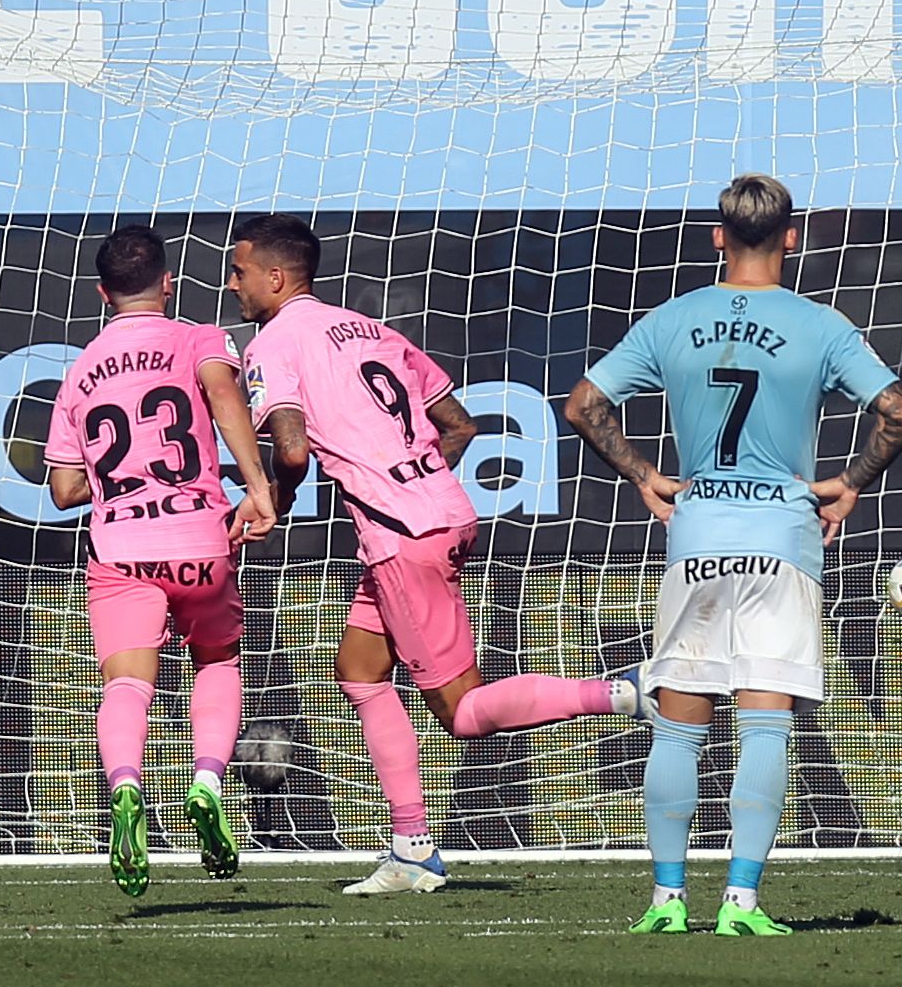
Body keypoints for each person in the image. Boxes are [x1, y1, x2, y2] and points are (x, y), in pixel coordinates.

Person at [227, 214, 643, 897]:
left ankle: (625, 690)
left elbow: (293, 449)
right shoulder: (372, 330)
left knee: (462, 712)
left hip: (402, 536)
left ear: (275, 278)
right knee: (359, 671)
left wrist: (271, 496)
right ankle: (411, 846)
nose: (233, 285)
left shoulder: (273, 343)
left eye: (239, 272)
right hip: (434, 513)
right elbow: (458, 426)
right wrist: (415, 478)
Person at [565, 174, 902, 937]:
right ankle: (742, 904)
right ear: (791, 238)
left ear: (718, 236)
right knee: (765, 724)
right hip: (781, 543)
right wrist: (848, 485)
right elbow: (899, 412)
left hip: (697, 539)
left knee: (678, 726)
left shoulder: (672, 318)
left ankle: (664, 901)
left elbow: (583, 405)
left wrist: (647, 476)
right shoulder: (821, 325)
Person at [44, 224, 277, 897]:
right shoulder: (198, 338)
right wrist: (257, 488)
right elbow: (226, 397)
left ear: (101, 293)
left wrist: (125, 476)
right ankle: (206, 781)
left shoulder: (82, 368)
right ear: (168, 282)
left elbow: (63, 489)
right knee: (217, 661)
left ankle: (125, 789)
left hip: (120, 550)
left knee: (127, 686)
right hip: (200, 540)